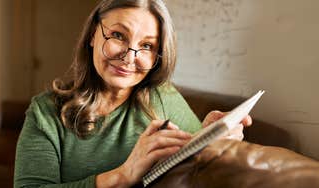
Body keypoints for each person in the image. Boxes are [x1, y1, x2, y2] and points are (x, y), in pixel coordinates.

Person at [14, 0, 251, 187]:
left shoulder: (163, 97)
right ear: (92, 35)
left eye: (147, 46)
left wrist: (209, 136)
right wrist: (122, 175)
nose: (129, 58)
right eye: (118, 35)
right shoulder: (45, 112)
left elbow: (194, 164)